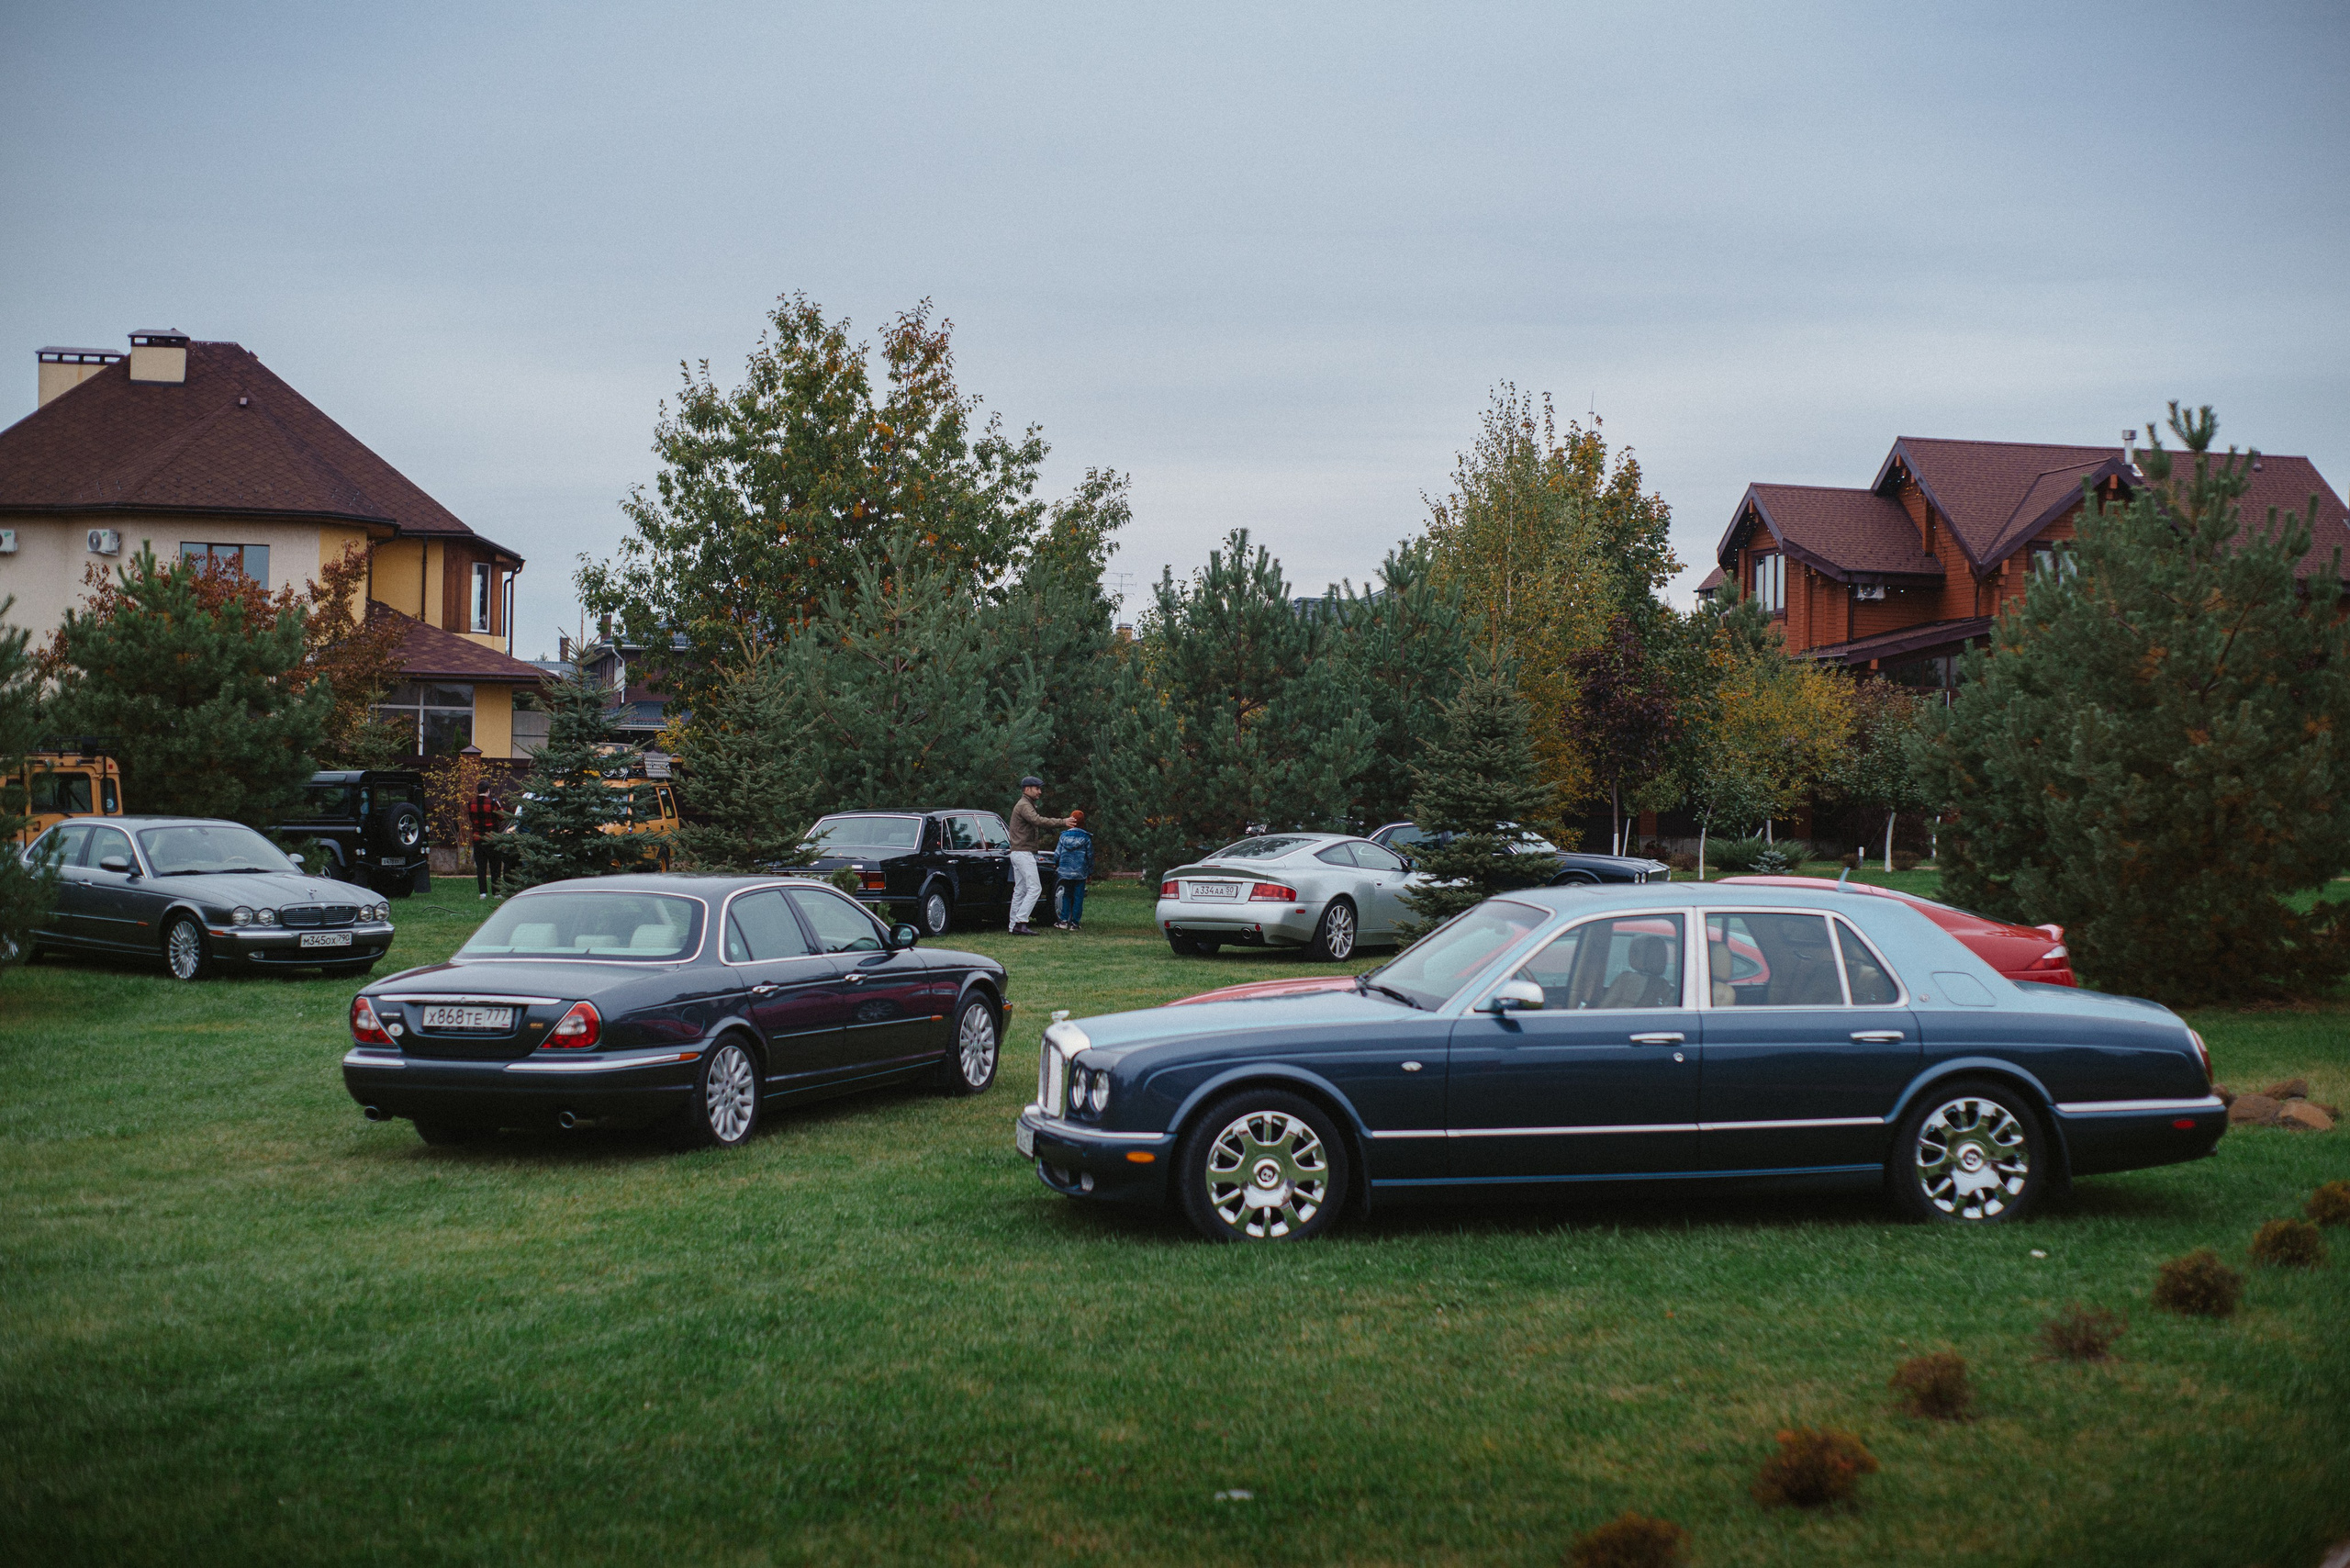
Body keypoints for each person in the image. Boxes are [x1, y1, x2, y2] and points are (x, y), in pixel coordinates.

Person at [1006, 775, 1070, 935]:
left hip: (1017, 852)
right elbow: (1038, 821)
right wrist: (1063, 822)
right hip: (1023, 853)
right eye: (1037, 788)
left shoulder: (1025, 804)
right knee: (1035, 888)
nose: (1040, 792)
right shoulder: (1024, 805)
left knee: (1020, 890)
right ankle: (1021, 922)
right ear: (1027, 789)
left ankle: (1013, 925)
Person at [1052, 809, 1094, 931]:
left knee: (1066, 895)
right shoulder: (1086, 838)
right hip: (1080, 871)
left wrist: (1056, 864)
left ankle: (1064, 921)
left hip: (1065, 871)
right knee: (1078, 897)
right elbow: (1090, 855)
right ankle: (1075, 923)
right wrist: (1090, 871)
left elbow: (1057, 853)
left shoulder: (1063, 836)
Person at [466, 782, 509, 899]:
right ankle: (497, 892)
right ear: (488, 790)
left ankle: (482, 893)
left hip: (477, 838)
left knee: (481, 866)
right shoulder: (493, 803)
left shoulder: (471, 803)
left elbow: (471, 818)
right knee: (495, 866)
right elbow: (502, 816)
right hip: (492, 838)